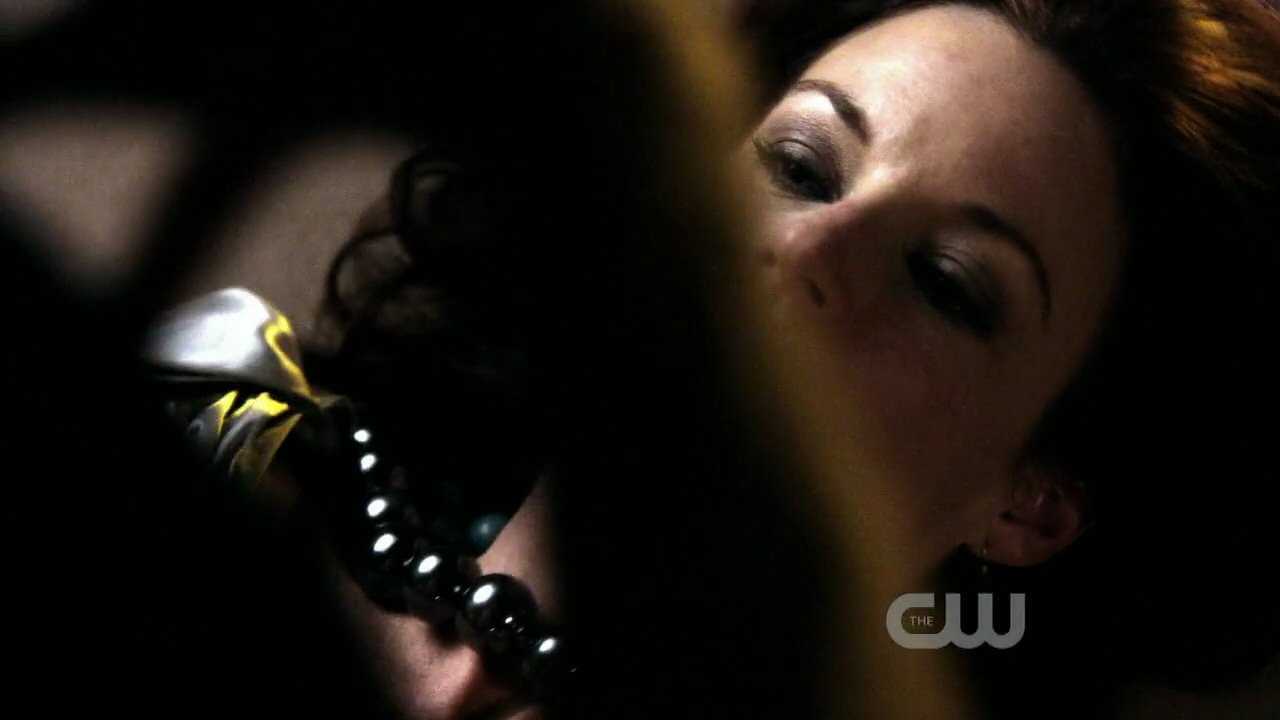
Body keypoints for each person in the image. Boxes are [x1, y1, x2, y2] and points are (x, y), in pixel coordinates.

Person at [146, 1, 1280, 718]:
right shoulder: (205, 429)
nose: (801, 254)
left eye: (945, 283)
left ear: (1031, 505)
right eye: (798, 166)